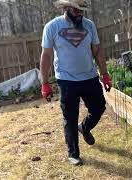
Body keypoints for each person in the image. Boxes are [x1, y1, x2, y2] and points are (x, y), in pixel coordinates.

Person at [39, 0, 112, 166]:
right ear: (66, 8)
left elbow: (97, 50)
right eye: (76, 10)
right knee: (70, 117)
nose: (80, 13)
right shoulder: (52, 27)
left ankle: (84, 128)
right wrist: (45, 82)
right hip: (66, 80)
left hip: (89, 77)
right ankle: (73, 153)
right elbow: (47, 55)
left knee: (99, 107)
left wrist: (105, 74)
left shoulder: (89, 26)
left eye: (82, 10)